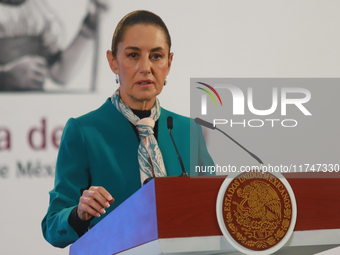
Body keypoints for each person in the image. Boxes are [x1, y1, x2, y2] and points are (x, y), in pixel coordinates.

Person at [41, 10, 214, 248]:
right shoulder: (84, 131)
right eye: (133, 55)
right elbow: (52, 227)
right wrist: (78, 214)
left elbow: (216, 206)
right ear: (113, 61)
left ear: (169, 63)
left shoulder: (188, 130)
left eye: (156, 56)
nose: (146, 67)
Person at [0, 0, 107, 91]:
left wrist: (90, 25)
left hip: (31, 106)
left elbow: (60, 74)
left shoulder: (39, 12)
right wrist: (6, 76)